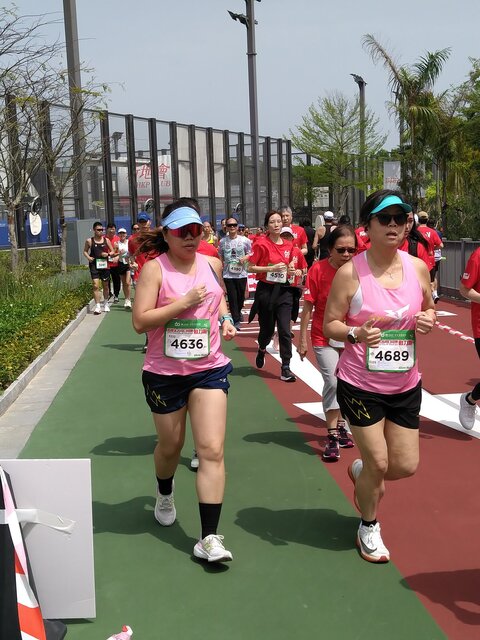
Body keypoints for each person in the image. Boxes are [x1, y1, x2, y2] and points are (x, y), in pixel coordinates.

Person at [324, 189, 435, 564]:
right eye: (384, 218)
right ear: (367, 226)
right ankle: (368, 526)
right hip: (361, 385)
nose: (393, 225)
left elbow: (429, 307)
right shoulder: (350, 273)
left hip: (405, 383)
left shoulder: (417, 268)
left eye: (400, 218)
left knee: (404, 466)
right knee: (381, 464)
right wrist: (355, 333)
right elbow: (331, 324)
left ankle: (361, 471)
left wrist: (428, 319)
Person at [132, 200, 236, 563]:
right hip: (164, 374)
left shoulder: (211, 264)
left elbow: (218, 298)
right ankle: (164, 491)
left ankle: (209, 538)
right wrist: (184, 302)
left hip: (209, 369)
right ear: (167, 234)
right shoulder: (154, 270)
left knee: (211, 450)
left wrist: (225, 318)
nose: (191, 238)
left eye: (196, 231)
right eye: (182, 232)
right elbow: (140, 321)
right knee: (171, 447)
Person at [298, 225, 356, 461]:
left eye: (351, 250)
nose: (346, 254)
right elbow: (308, 307)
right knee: (332, 381)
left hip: (352, 337)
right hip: (324, 336)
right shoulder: (318, 270)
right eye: (341, 250)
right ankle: (332, 435)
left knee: (346, 383)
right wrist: (302, 338)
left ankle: (341, 425)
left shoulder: (360, 272)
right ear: (330, 249)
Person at [248, 210, 297, 382]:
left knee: (285, 330)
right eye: (272, 222)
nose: (276, 224)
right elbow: (250, 267)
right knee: (267, 330)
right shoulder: (261, 244)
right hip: (266, 291)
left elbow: (289, 265)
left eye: (278, 221)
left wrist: (291, 269)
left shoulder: (289, 245)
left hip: (284, 290)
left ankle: (286, 367)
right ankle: (262, 348)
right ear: (266, 226)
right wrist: (271, 268)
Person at [218, 216, 252, 331]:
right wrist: (221, 268)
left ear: (237, 227)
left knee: (240, 297)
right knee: (232, 297)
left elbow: (251, 253)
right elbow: (220, 255)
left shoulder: (245, 240)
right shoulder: (223, 241)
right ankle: (236, 319)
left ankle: (238, 311)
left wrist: (245, 258)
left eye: (234, 225)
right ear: (226, 227)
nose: (232, 227)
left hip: (241, 273)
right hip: (228, 274)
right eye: (229, 225)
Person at [83, 221, 115, 315]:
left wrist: (108, 254)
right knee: (95, 285)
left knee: (105, 285)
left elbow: (113, 251)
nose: (100, 231)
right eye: (98, 230)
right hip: (94, 265)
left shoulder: (106, 240)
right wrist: (88, 257)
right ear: (94, 230)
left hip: (104, 265)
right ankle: (97, 306)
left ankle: (105, 303)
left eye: (102, 229)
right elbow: (85, 251)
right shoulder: (89, 241)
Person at [417, 211, 443, 303]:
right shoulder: (432, 232)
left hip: (418, 260)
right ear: (427, 220)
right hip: (430, 260)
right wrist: (432, 248)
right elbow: (441, 245)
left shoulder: (415, 232)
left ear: (418, 220)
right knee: (431, 280)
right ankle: (433, 296)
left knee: (418, 280)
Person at [115, 228, 132, 308]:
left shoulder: (129, 242)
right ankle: (126, 299)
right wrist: (119, 253)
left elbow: (133, 251)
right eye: (120, 233)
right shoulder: (117, 244)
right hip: (121, 263)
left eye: (123, 233)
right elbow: (114, 254)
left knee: (128, 282)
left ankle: (129, 300)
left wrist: (130, 257)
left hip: (128, 264)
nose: (122, 235)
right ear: (118, 234)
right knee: (124, 283)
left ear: (126, 234)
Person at [105, 223, 120, 302]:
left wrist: (117, 256)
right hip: (105, 263)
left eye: (113, 229)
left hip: (115, 263)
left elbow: (122, 251)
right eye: (110, 229)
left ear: (115, 230)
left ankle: (116, 295)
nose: (111, 231)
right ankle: (108, 293)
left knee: (116, 280)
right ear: (107, 229)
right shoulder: (103, 239)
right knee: (106, 280)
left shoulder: (118, 239)